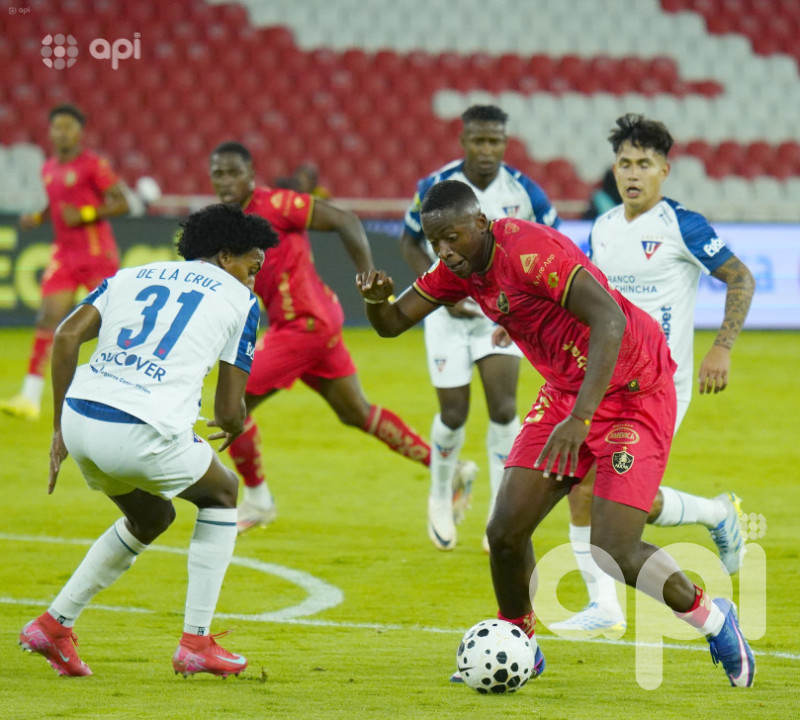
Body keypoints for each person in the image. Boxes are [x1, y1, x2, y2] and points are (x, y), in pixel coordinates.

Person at [357, 179, 755, 688]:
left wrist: (581, 420)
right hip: (569, 391)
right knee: (504, 533)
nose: (444, 252)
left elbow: (609, 320)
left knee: (614, 551)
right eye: (436, 243)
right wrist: (376, 300)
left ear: (480, 222)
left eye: (452, 238)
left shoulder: (529, 251)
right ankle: (520, 641)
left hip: (634, 391)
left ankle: (716, 621)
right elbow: (391, 323)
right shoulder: (459, 269)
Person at [18, 203, 279, 678]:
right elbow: (226, 411)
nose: (252, 280)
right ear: (225, 256)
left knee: (151, 516)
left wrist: (58, 429)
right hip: (141, 429)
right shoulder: (241, 301)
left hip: (80, 422)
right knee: (222, 494)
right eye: (251, 267)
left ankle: (53, 626)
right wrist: (236, 423)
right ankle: (196, 642)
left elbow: (65, 336)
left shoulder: (131, 274)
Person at [550, 114, 756, 636]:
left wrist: (722, 348)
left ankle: (711, 517)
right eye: (624, 163)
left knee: (604, 493)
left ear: (665, 170)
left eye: (644, 163)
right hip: (605, 382)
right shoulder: (602, 228)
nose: (633, 173)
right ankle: (610, 606)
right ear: (613, 171)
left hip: (662, 387)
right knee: (588, 490)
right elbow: (591, 302)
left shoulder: (680, 224)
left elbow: (740, 277)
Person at [209, 141, 436, 534]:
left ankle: (258, 499)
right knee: (356, 412)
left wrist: (366, 273)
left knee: (233, 402)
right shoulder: (224, 225)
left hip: (306, 325)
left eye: (233, 172)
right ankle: (445, 467)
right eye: (218, 173)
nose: (225, 180)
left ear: (250, 174)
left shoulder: (277, 204)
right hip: (307, 324)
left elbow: (344, 219)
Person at [399, 104, 559, 552]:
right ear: (463, 141)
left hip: (502, 314)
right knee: (453, 414)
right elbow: (409, 240)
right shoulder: (435, 186)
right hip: (449, 315)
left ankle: (497, 510)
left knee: (504, 408)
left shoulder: (526, 192)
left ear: (504, 143)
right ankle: (439, 494)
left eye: (495, 141)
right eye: (478, 140)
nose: (487, 149)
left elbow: (554, 244)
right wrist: (437, 297)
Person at [1, 104, 130, 421]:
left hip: (96, 253)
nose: (62, 132)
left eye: (68, 127)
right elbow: (57, 204)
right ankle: (29, 398)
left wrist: (86, 214)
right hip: (64, 254)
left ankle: (123, 390)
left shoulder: (93, 165)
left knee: (115, 321)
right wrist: (39, 217)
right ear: (50, 132)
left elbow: (122, 202)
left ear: (79, 132)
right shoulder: (48, 168)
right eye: (56, 127)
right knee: (48, 316)